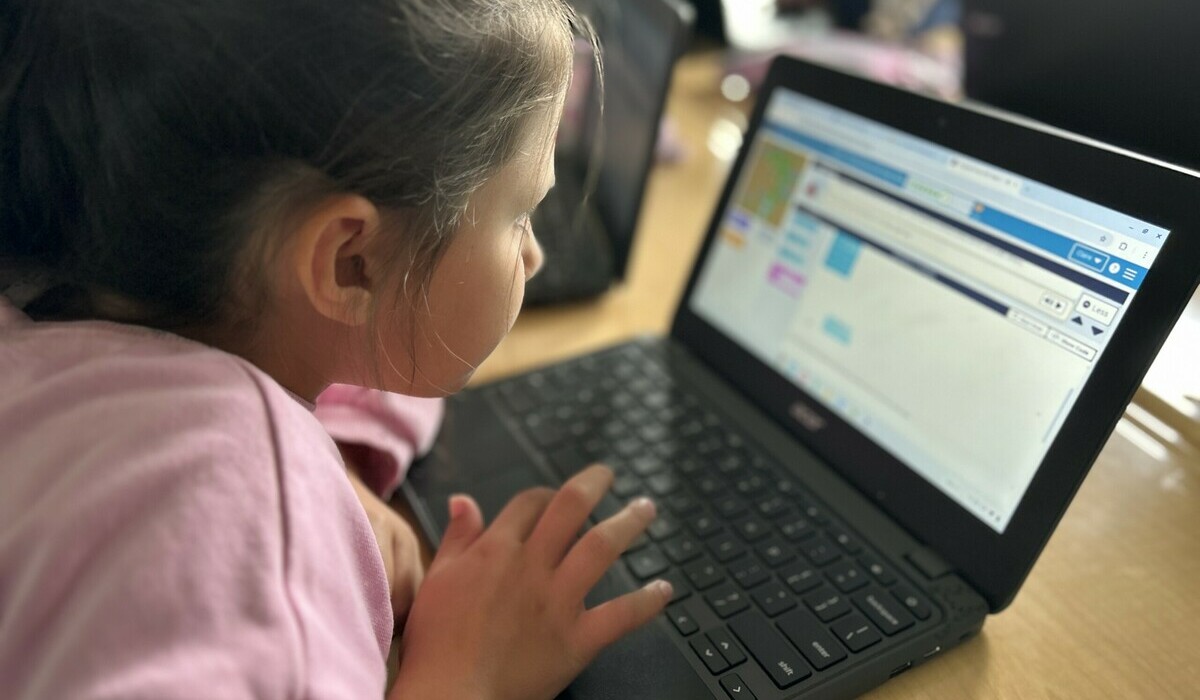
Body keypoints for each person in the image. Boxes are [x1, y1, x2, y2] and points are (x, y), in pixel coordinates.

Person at [0, 0, 672, 698]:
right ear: (352, 264)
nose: (534, 255)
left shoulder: (65, 292)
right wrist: (468, 675)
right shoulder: (259, 577)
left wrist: (336, 465)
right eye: (520, 216)